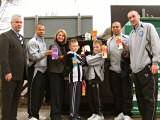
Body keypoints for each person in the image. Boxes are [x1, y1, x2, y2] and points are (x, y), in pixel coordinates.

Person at [127, 10, 160, 120]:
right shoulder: (131, 34)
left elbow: (156, 44)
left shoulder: (148, 27)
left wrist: (155, 62)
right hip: (136, 72)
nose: (131, 19)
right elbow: (131, 53)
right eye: (129, 18)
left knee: (149, 99)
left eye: (133, 16)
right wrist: (125, 50)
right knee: (140, 101)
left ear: (139, 16)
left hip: (147, 69)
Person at [0, 14, 26, 120]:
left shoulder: (22, 38)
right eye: (16, 22)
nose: (19, 24)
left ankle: (13, 117)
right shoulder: (5, 36)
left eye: (20, 22)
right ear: (11, 23)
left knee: (16, 99)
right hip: (9, 75)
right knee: (7, 100)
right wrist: (7, 71)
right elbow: (3, 56)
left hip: (20, 75)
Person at [107, 21, 133, 120]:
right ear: (112, 29)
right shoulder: (109, 41)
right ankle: (119, 113)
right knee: (116, 93)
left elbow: (131, 52)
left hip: (125, 70)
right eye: (113, 27)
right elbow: (108, 56)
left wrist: (124, 46)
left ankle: (127, 114)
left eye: (117, 27)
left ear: (120, 28)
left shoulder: (127, 38)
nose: (115, 29)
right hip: (113, 70)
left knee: (127, 93)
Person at [27, 23, 52, 120]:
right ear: (36, 30)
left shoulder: (42, 41)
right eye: (40, 29)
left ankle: (36, 114)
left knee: (40, 95)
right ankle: (31, 115)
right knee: (34, 94)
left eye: (43, 30)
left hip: (42, 71)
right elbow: (34, 57)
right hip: (35, 70)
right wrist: (46, 53)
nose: (42, 31)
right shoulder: (33, 42)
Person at [47, 29, 68, 120]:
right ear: (56, 36)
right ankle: (55, 116)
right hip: (54, 73)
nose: (61, 37)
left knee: (59, 95)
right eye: (59, 35)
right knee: (55, 95)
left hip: (60, 74)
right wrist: (66, 56)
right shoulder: (54, 46)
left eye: (63, 36)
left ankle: (55, 114)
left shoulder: (62, 46)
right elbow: (55, 58)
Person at [85, 40, 105, 120]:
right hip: (90, 78)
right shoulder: (92, 55)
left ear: (101, 48)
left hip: (97, 78)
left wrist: (86, 54)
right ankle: (94, 113)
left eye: (97, 47)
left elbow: (89, 61)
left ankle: (100, 114)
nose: (95, 48)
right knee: (91, 97)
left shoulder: (101, 55)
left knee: (97, 97)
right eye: (94, 47)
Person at [64, 39, 83, 120]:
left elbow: (81, 61)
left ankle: (76, 113)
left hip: (79, 78)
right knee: (73, 97)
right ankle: (72, 114)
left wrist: (81, 57)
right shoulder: (71, 54)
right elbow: (78, 62)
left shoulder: (76, 54)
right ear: (70, 47)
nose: (75, 47)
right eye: (73, 46)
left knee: (77, 97)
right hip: (74, 78)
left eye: (76, 46)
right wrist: (82, 56)